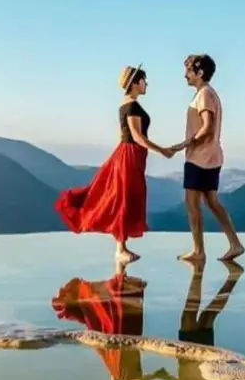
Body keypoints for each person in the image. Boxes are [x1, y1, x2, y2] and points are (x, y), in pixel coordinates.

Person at [55, 64, 174, 264]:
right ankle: (120, 248)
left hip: (127, 154)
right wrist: (162, 150)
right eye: (144, 80)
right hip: (130, 154)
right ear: (135, 83)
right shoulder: (132, 106)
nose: (147, 84)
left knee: (123, 196)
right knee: (124, 198)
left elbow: (125, 134)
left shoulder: (125, 104)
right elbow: (136, 136)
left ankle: (122, 246)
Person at [51, 263, 169, 380]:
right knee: (120, 321)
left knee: (126, 322)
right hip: (119, 364)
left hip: (126, 363)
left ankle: (121, 274)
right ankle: (120, 273)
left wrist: (159, 375)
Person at [160, 259, 244, 380]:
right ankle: (198, 270)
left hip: (200, 366)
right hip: (192, 361)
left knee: (208, 316)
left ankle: (233, 278)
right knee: (190, 314)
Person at [168, 54, 245, 263]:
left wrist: (183, 144)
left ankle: (198, 251)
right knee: (212, 201)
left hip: (199, 158)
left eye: (188, 71)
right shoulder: (210, 94)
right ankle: (234, 244)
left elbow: (207, 127)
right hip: (212, 157)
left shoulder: (204, 95)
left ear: (199, 73)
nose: (185, 75)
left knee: (192, 203)